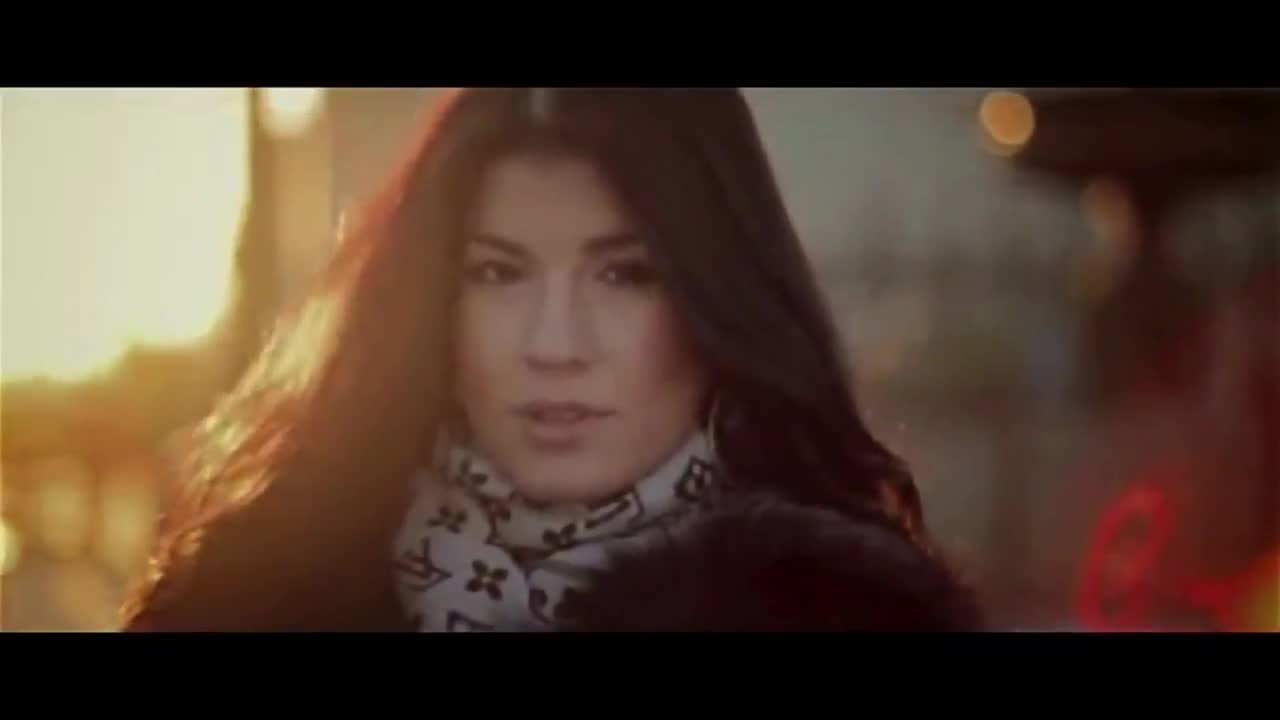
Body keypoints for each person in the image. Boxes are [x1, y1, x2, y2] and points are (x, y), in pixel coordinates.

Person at [120, 88, 983, 632]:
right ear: (432, 302)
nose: (554, 344)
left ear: (714, 296)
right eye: (499, 274)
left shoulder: (851, 616)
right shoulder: (250, 597)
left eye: (624, 275)